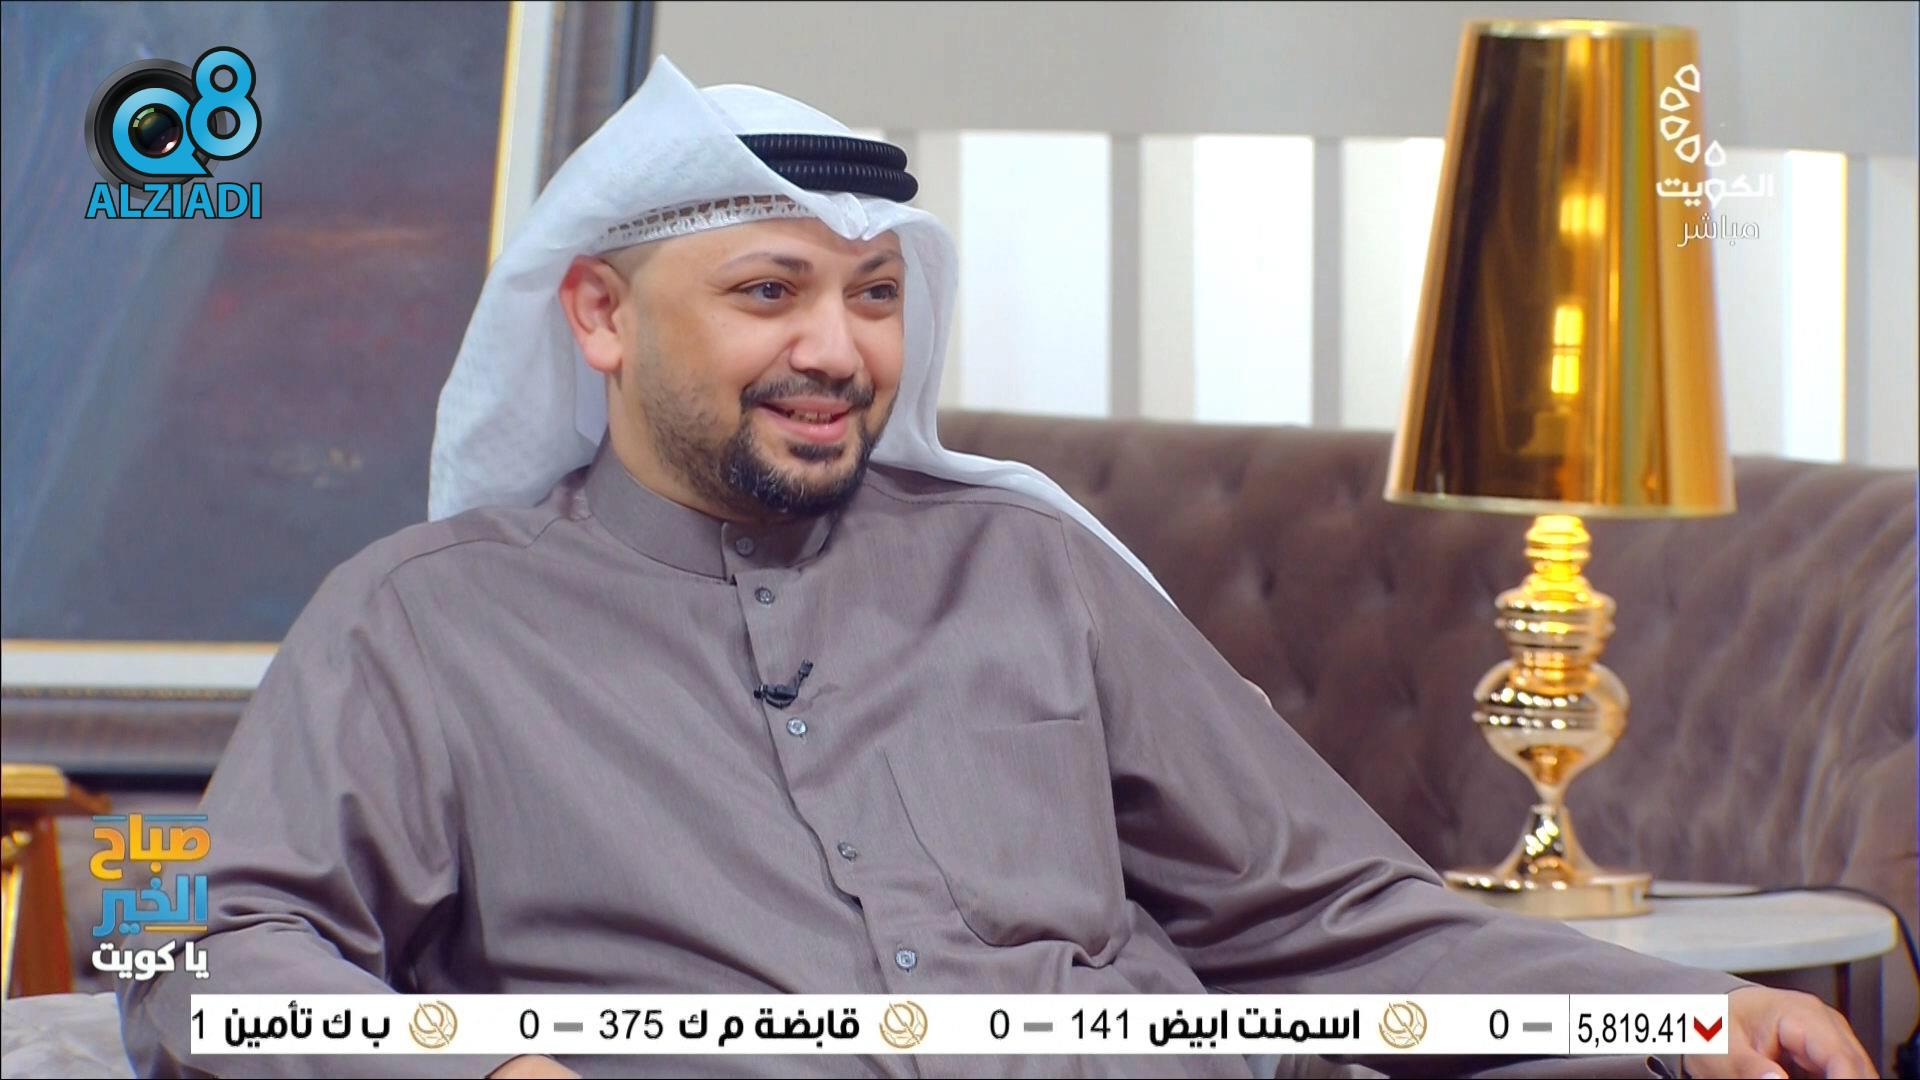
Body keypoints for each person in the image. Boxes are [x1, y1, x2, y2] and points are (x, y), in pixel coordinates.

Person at [116, 57, 1877, 1080]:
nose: (837, 349)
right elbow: (213, 961)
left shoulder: (1030, 570)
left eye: (875, 296)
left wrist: (1683, 1014)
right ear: (599, 316)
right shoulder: (425, 624)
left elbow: (1335, 914)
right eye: (769, 293)